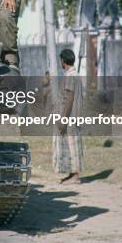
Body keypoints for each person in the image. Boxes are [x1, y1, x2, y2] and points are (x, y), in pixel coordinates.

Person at [53, 49, 84, 184]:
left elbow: (69, 97)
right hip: (73, 116)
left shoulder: (71, 75)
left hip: (70, 117)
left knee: (72, 146)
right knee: (70, 145)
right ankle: (72, 174)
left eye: (60, 60)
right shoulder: (74, 74)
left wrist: (63, 118)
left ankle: (76, 176)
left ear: (63, 61)